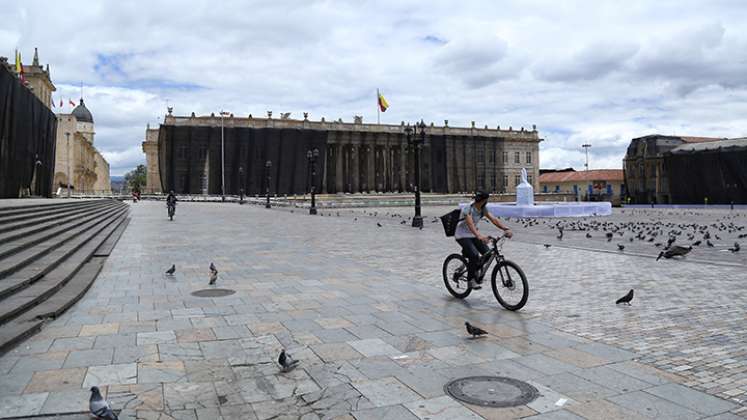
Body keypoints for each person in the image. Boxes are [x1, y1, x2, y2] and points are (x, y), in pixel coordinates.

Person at [454, 191, 513, 289]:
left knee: (488, 254)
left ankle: (473, 269)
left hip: (473, 235)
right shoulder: (468, 208)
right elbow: (470, 224)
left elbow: (493, 219)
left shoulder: (483, 209)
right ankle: (470, 280)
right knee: (474, 255)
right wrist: (479, 236)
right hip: (462, 235)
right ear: (485, 200)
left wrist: (505, 228)